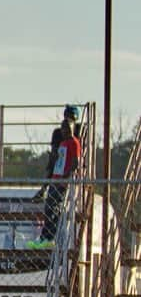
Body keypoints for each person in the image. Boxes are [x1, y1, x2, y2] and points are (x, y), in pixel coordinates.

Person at [32, 119, 81, 248]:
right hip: (55, 178)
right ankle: (45, 237)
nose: (65, 131)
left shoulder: (74, 143)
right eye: (63, 129)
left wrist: (67, 176)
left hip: (61, 181)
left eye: (68, 129)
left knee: (53, 207)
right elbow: (59, 160)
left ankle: (48, 237)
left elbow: (75, 162)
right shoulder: (63, 143)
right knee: (49, 207)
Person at [35, 105, 84, 201]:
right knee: (53, 162)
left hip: (69, 161)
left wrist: (67, 174)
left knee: (56, 200)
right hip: (60, 160)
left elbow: (77, 157)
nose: (64, 130)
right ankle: (44, 188)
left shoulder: (78, 133)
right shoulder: (58, 133)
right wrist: (54, 155)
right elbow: (55, 150)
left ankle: (46, 189)